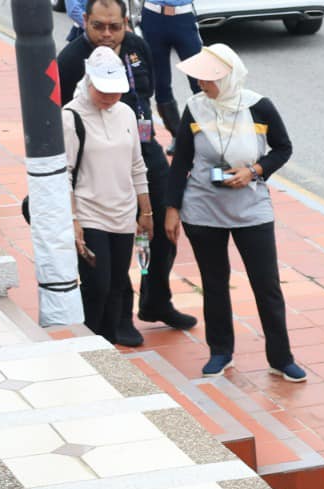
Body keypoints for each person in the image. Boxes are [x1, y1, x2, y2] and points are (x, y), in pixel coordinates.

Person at [57, 0, 196, 344]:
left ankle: (157, 300)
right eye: (98, 26)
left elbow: (154, 95)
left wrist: (178, 135)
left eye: (114, 27)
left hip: (139, 144)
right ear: (85, 21)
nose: (106, 34)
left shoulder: (137, 47)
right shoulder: (70, 61)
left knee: (165, 223)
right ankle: (119, 315)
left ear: (125, 24)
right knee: (112, 243)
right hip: (94, 156)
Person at [164, 45, 305, 381]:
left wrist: (255, 171)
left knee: (266, 284)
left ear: (229, 76)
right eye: (198, 77)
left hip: (251, 208)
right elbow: (182, 159)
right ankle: (220, 351)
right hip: (203, 209)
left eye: (209, 78)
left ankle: (281, 357)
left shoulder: (259, 106)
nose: (201, 84)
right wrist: (172, 207)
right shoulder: (195, 109)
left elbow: (283, 148)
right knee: (214, 283)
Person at [65, 47, 152, 348]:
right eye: (103, 90)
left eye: (116, 91)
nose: (110, 97)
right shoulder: (71, 117)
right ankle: (88, 347)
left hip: (123, 214)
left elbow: (137, 165)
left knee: (117, 286)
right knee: (96, 286)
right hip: (90, 214)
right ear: (88, 81)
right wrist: (74, 220)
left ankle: (108, 345)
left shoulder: (126, 113)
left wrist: (146, 211)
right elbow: (63, 175)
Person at [137, 0, 204, 141]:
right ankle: (177, 136)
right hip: (153, 17)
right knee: (160, 84)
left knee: (199, 80)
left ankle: (204, 133)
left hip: (183, 16)